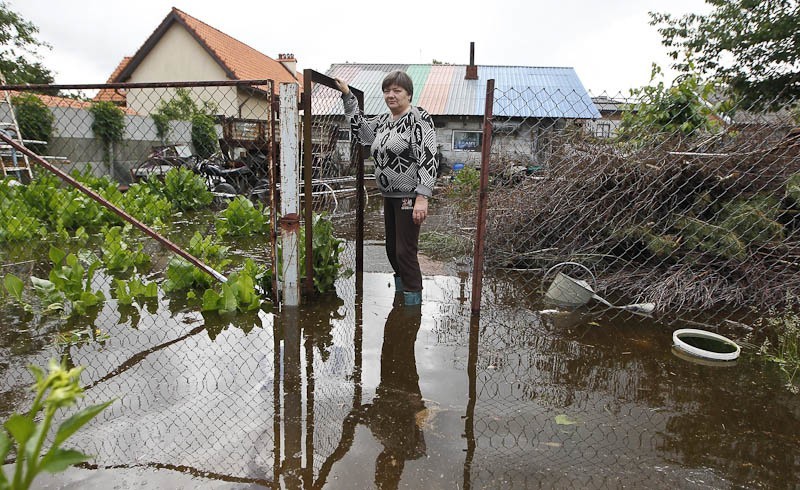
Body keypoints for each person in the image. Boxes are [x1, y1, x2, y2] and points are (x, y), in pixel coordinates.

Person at [334, 71, 438, 306]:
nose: (391, 95)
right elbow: (361, 132)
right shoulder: (383, 121)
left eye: (397, 91)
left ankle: (413, 307)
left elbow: (428, 157)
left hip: (409, 195)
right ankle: (401, 298)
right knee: (392, 249)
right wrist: (348, 96)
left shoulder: (418, 118)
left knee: (405, 251)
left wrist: (423, 196)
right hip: (389, 195)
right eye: (387, 91)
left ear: (409, 94)